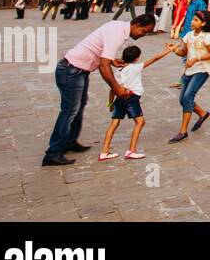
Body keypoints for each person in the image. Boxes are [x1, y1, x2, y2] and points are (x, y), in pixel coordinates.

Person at [42, 13, 157, 166]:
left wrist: (111, 61)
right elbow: (103, 65)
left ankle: (70, 141)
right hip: (72, 71)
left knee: (79, 107)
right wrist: (116, 88)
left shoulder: (118, 27)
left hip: (78, 70)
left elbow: (103, 57)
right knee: (69, 111)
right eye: (144, 31)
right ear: (136, 25)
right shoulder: (117, 33)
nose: (143, 35)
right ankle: (53, 152)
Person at [98, 41, 177, 161]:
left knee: (114, 124)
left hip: (119, 99)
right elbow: (155, 58)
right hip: (131, 98)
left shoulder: (118, 72)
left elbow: (112, 89)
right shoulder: (136, 67)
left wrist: (110, 103)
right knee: (140, 122)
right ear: (136, 59)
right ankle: (131, 150)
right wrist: (169, 50)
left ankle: (104, 151)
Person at [168, 10, 210, 143]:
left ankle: (183, 131)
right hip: (189, 69)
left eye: (196, 20)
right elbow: (184, 52)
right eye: (193, 19)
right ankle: (202, 113)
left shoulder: (208, 37)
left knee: (188, 96)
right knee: (182, 99)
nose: (192, 22)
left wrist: (197, 58)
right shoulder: (188, 35)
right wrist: (174, 50)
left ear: (203, 23)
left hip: (202, 69)